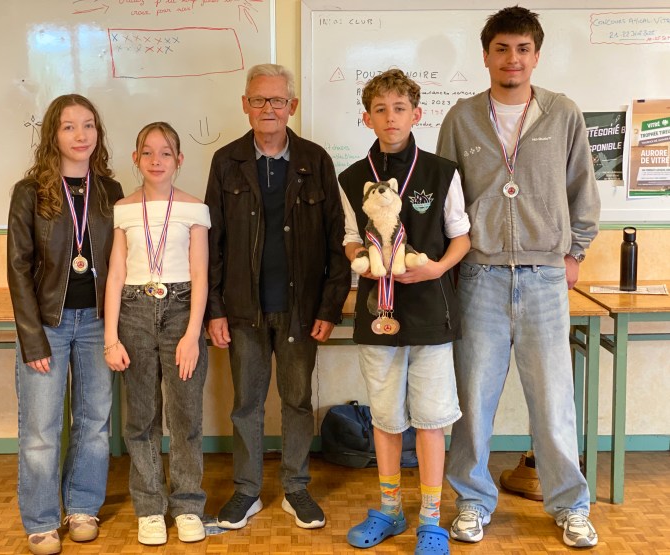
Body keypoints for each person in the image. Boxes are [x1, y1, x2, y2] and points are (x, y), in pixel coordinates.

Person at [435, 6, 601, 549]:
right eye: (502, 48)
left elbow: (582, 190)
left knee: (554, 403)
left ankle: (571, 506)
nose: (513, 58)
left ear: (536, 55)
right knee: (473, 401)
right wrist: (450, 266)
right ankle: (472, 502)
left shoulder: (563, 113)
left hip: (545, 279)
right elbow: (445, 202)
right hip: (479, 277)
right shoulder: (461, 118)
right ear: (486, 56)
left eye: (523, 49)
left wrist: (574, 253)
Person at [204, 63, 350, 530]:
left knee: (297, 401)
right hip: (243, 309)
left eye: (278, 100)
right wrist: (215, 310)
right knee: (246, 404)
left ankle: (296, 488)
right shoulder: (226, 161)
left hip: (301, 311)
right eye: (258, 99)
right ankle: (246, 491)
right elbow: (212, 243)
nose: (268, 108)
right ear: (245, 105)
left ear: (293, 106)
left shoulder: (315, 160)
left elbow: (337, 241)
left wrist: (329, 307)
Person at [339, 69, 471, 555]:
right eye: (380, 109)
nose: (390, 118)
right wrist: (362, 260)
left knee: (431, 420)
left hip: (431, 312)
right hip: (378, 311)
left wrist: (437, 269)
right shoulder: (351, 177)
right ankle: (391, 509)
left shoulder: (442, 171)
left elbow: (462, 237)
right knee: (386, 417)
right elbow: (350, 237)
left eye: (399, 109)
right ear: (367, 118)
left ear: (417, 114)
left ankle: (431, 518)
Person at [7, 94, 123, 555]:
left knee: (94, 421)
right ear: (53, 134)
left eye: (88, 125)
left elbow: (120, 263)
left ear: (98, 132)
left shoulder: (110, 191)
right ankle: (40, 520)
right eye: (69, 126)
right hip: (47, 325)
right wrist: (32, 337)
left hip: (97, 323)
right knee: (41, 428)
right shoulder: (30, 191)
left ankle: (82, 507)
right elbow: (18, 268)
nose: (81, 135)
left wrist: (116, 329)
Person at [104, 122, 210, 546]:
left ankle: (187, 505)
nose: (156, 160)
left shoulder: (194, 208)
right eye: (147, 152)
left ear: (179, 159)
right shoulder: (124, 209)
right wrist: (111, 337)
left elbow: (201, 275)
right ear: (135, 159)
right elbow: (115, 275)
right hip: (133, 311)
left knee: (185, 416)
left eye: (165, 152)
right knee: (141, 417)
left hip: (182, 311)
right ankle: (150, 507)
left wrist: (192, 334)